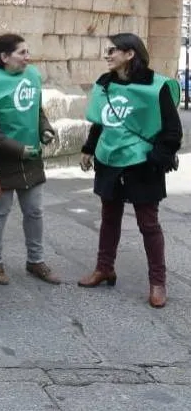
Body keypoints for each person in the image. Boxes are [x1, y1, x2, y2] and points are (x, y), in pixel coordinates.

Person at [78, 33, 182, 308]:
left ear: (130, 54)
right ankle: (104, 268)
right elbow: (101, 121)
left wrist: (155, 159)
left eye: (112, 50)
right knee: (109, 217)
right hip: (109, 159)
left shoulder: (155, 86)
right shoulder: (105, 84)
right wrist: (89, 148)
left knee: (148, 224)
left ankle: (158, 282)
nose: (107, 55)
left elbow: (172, 130)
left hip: (142, 163)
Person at [0, 34, 60, 286]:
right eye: (22, 52)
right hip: (1, 158)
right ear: (4, 57)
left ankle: (35, 260)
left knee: (34, 211)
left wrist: (44, 128)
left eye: (28, 51)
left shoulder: (32, 75)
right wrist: (17, 149)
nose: (28, 57)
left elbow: (37, 109)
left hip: (30, 157)